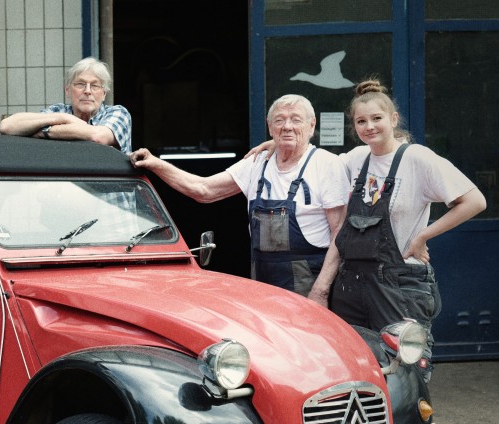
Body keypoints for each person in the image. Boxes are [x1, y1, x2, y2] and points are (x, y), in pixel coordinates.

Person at [307, 79, 486, 424]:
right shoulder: (354, 161)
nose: (369, 127)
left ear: (393, 119)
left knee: (412, 389)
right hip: (352, 286)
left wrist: (424, 236)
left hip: (400, 288)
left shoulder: (419, 159)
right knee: (353, 387)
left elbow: (474, 200)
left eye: (376, 119)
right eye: (360, 121)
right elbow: (337, 219)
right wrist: (322, 287)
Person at [130, 94, 349, 296]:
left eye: (296, 120)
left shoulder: (327, 164)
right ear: (269, 126)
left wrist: (321, 291)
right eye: (279, 120)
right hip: (262, 284)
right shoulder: (257, 162)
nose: (287, 126)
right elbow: (204, 190)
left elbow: (339, 233)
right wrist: (155, 164)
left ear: (312, 125)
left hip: (309, 285)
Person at [0, 57, 132, 154]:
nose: (87, 91)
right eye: (80, 84)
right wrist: (63, 118)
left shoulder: (118, 113)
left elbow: (98, 136)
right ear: (67, 90)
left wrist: (43, 132)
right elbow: (6, 126)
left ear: (104, 94)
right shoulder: (59, 111)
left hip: (107, 185)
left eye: (95, 85)